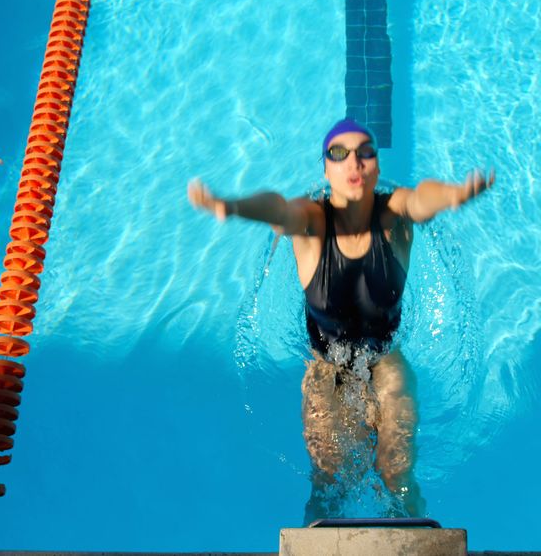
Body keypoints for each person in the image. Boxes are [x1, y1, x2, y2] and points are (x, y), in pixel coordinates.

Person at [187, 118, 494, 521]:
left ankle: (416, 534)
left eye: (366, 151)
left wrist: (453, 195)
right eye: (339, 153)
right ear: (326, 169)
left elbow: (421, 199)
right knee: (328, 479)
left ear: (377, 167)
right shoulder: (312, 224)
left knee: (397, 474)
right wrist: (233, 205)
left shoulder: (393, 217)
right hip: (324, 366)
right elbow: (278, 208)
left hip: (386, 361)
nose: (354, 161)